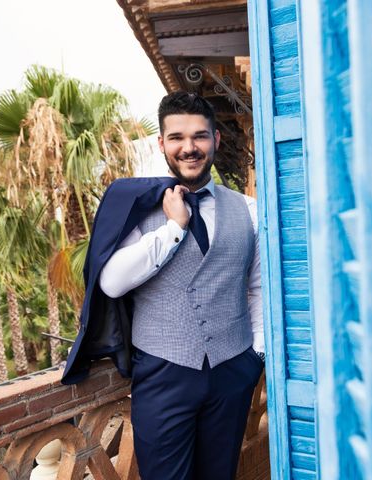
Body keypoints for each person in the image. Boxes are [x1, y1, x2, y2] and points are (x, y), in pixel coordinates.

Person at [96, 91, 265, 480]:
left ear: (216, 140)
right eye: (176, 138)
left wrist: (255, 353)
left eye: (199, 136)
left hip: (233, 370)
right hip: (163, 374)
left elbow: (256, 287)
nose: (189, 148)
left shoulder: (249, 209)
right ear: (161, 144)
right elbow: (112, 282)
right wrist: (174, 228)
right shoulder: (139, 207)